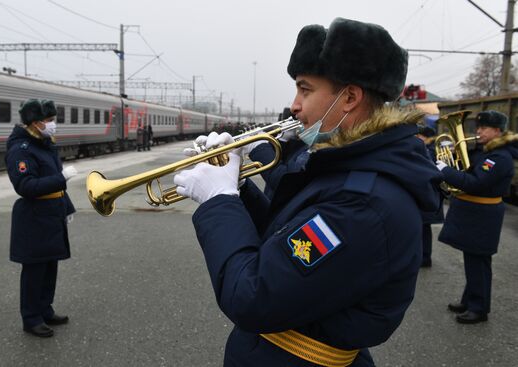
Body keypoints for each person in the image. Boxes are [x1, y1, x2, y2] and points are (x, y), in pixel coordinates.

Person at [173, 18, 442, 366]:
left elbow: (252, 296)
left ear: (349, 97)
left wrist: (218, 201)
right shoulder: (348, 165)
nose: (295, 105)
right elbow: (283, 238)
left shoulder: (361, 204)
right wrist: (238, 186)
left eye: (305, 89)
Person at [437, 110, 518, 324]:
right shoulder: (487, 152)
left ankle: (479, 308)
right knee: (472, 259)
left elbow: (475, 183)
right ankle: (469, 299)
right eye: (479, 127)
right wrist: (451, 154)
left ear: (498, 131)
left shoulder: (500, 157)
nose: (478, 131)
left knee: (478, 261)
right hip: (475, 213)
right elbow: (469, 171)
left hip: (483, 215)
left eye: (484, 128)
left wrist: (445, 170)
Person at [5, 99, 78, 337]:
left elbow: (56, 184)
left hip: (51, 215)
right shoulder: (21, 149)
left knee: (49, 267)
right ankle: (31, 318)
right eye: (49, 121)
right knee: (34, 271)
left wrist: (66, 207)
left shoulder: (45, 145)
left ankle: (45, 310)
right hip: (34, 219)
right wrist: (62, 177)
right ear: (35, 123)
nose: (53, 125)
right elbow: (26, 185)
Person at [416, 125, 445, 267]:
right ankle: (424, 256)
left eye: (418, 136)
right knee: (423, 227)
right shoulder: (431, 148)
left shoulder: (431, 151)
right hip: (427, 194)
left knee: (424, 228)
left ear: (425, 137)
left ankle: (425, 257)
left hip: (429, 194)